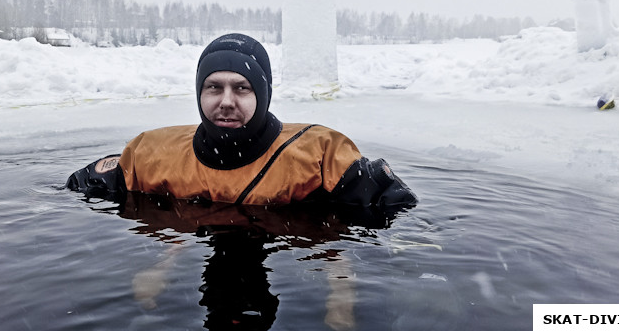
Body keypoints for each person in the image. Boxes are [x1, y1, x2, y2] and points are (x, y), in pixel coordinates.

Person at [67, 33, 417, 207]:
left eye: (242, 88)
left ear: (263, 95)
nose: (226, 102)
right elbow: (79, 186)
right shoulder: (152, 154)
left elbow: (394, 205)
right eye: (213, 87)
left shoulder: (320, 154)